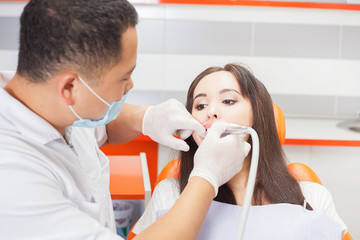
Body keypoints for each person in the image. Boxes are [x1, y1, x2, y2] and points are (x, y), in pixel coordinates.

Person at [0, 1, 251, 240]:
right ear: (69, 87)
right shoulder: (13, 178)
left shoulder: (46, 99)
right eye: (123, 78)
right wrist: (207, 176)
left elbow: (101, 125)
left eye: (229, 101)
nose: (130, 85)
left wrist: (145, 117)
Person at [132, 64, 348, 239]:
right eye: (200, 106)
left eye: (228, 100)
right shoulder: (169, 194)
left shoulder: (311, 196)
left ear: (258, 116)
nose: (212, 112)